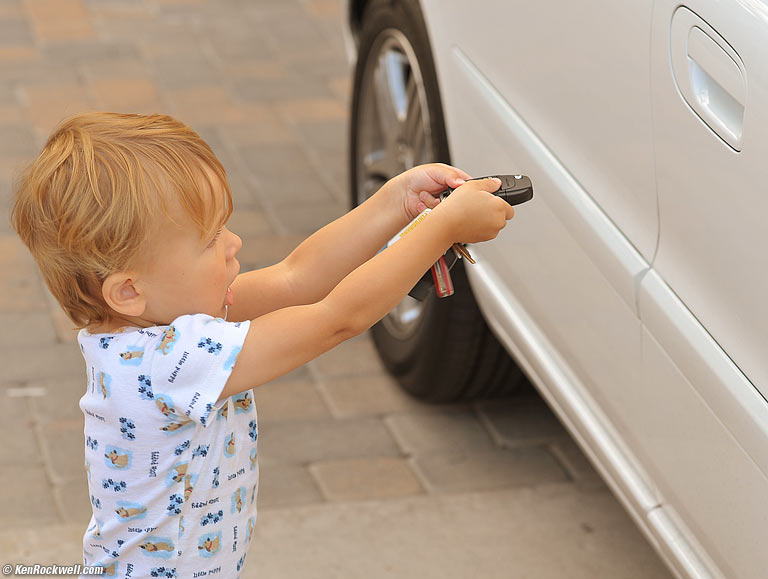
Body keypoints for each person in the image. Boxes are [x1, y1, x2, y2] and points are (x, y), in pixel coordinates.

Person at [10, 112, 514, 577]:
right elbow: (337, 318)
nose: (234, 243)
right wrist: (439, 228)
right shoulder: (166, 362)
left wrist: (398, 202)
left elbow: (297, 278)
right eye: (209, 240)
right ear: (128, 291)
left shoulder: (164, 323)